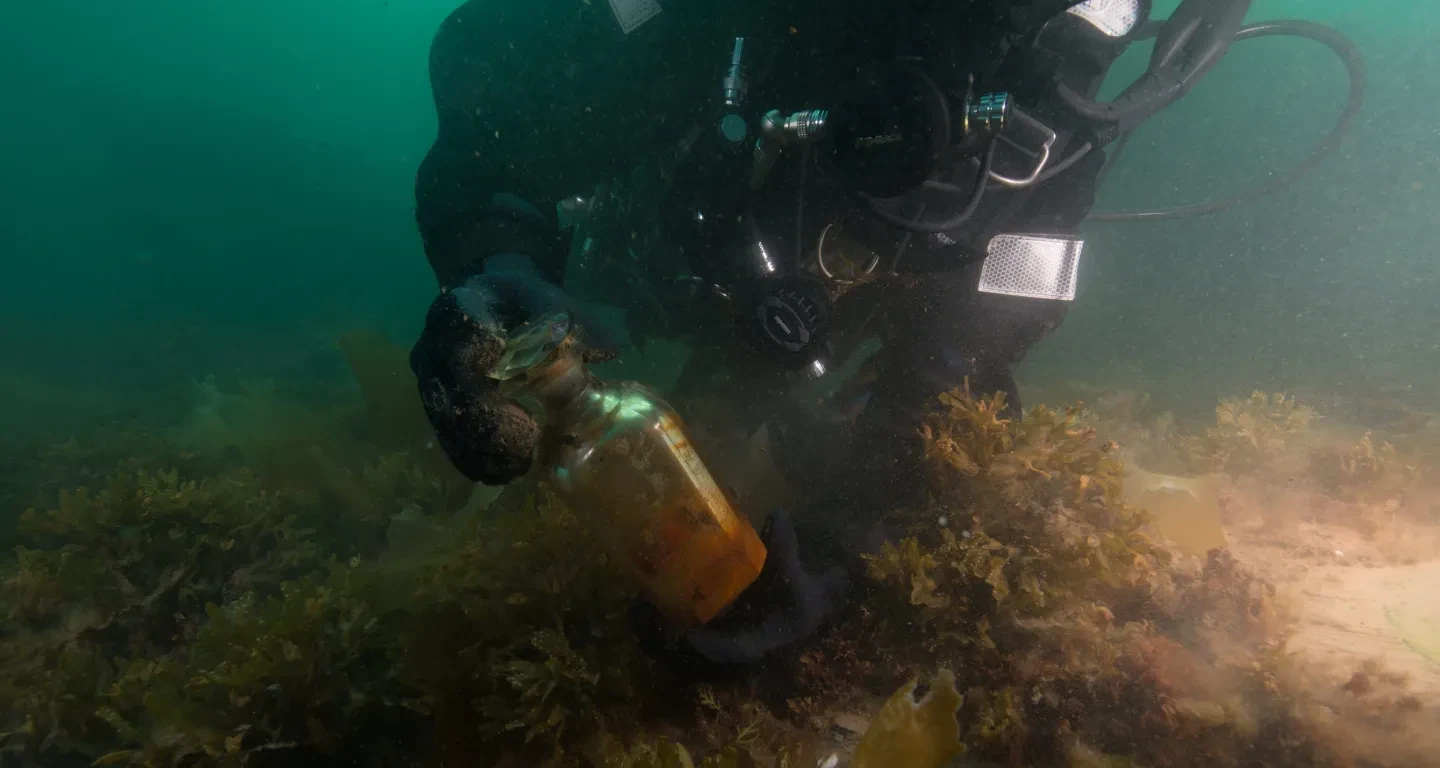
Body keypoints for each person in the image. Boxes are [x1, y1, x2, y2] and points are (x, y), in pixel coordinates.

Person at [408, 0, 1258, 669]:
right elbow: (496, 98)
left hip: (874, 283)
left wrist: (864, 522)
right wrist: (494, 261)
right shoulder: (698, 22)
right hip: (678, 250)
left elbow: (1021, 279)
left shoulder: (1070, 40)